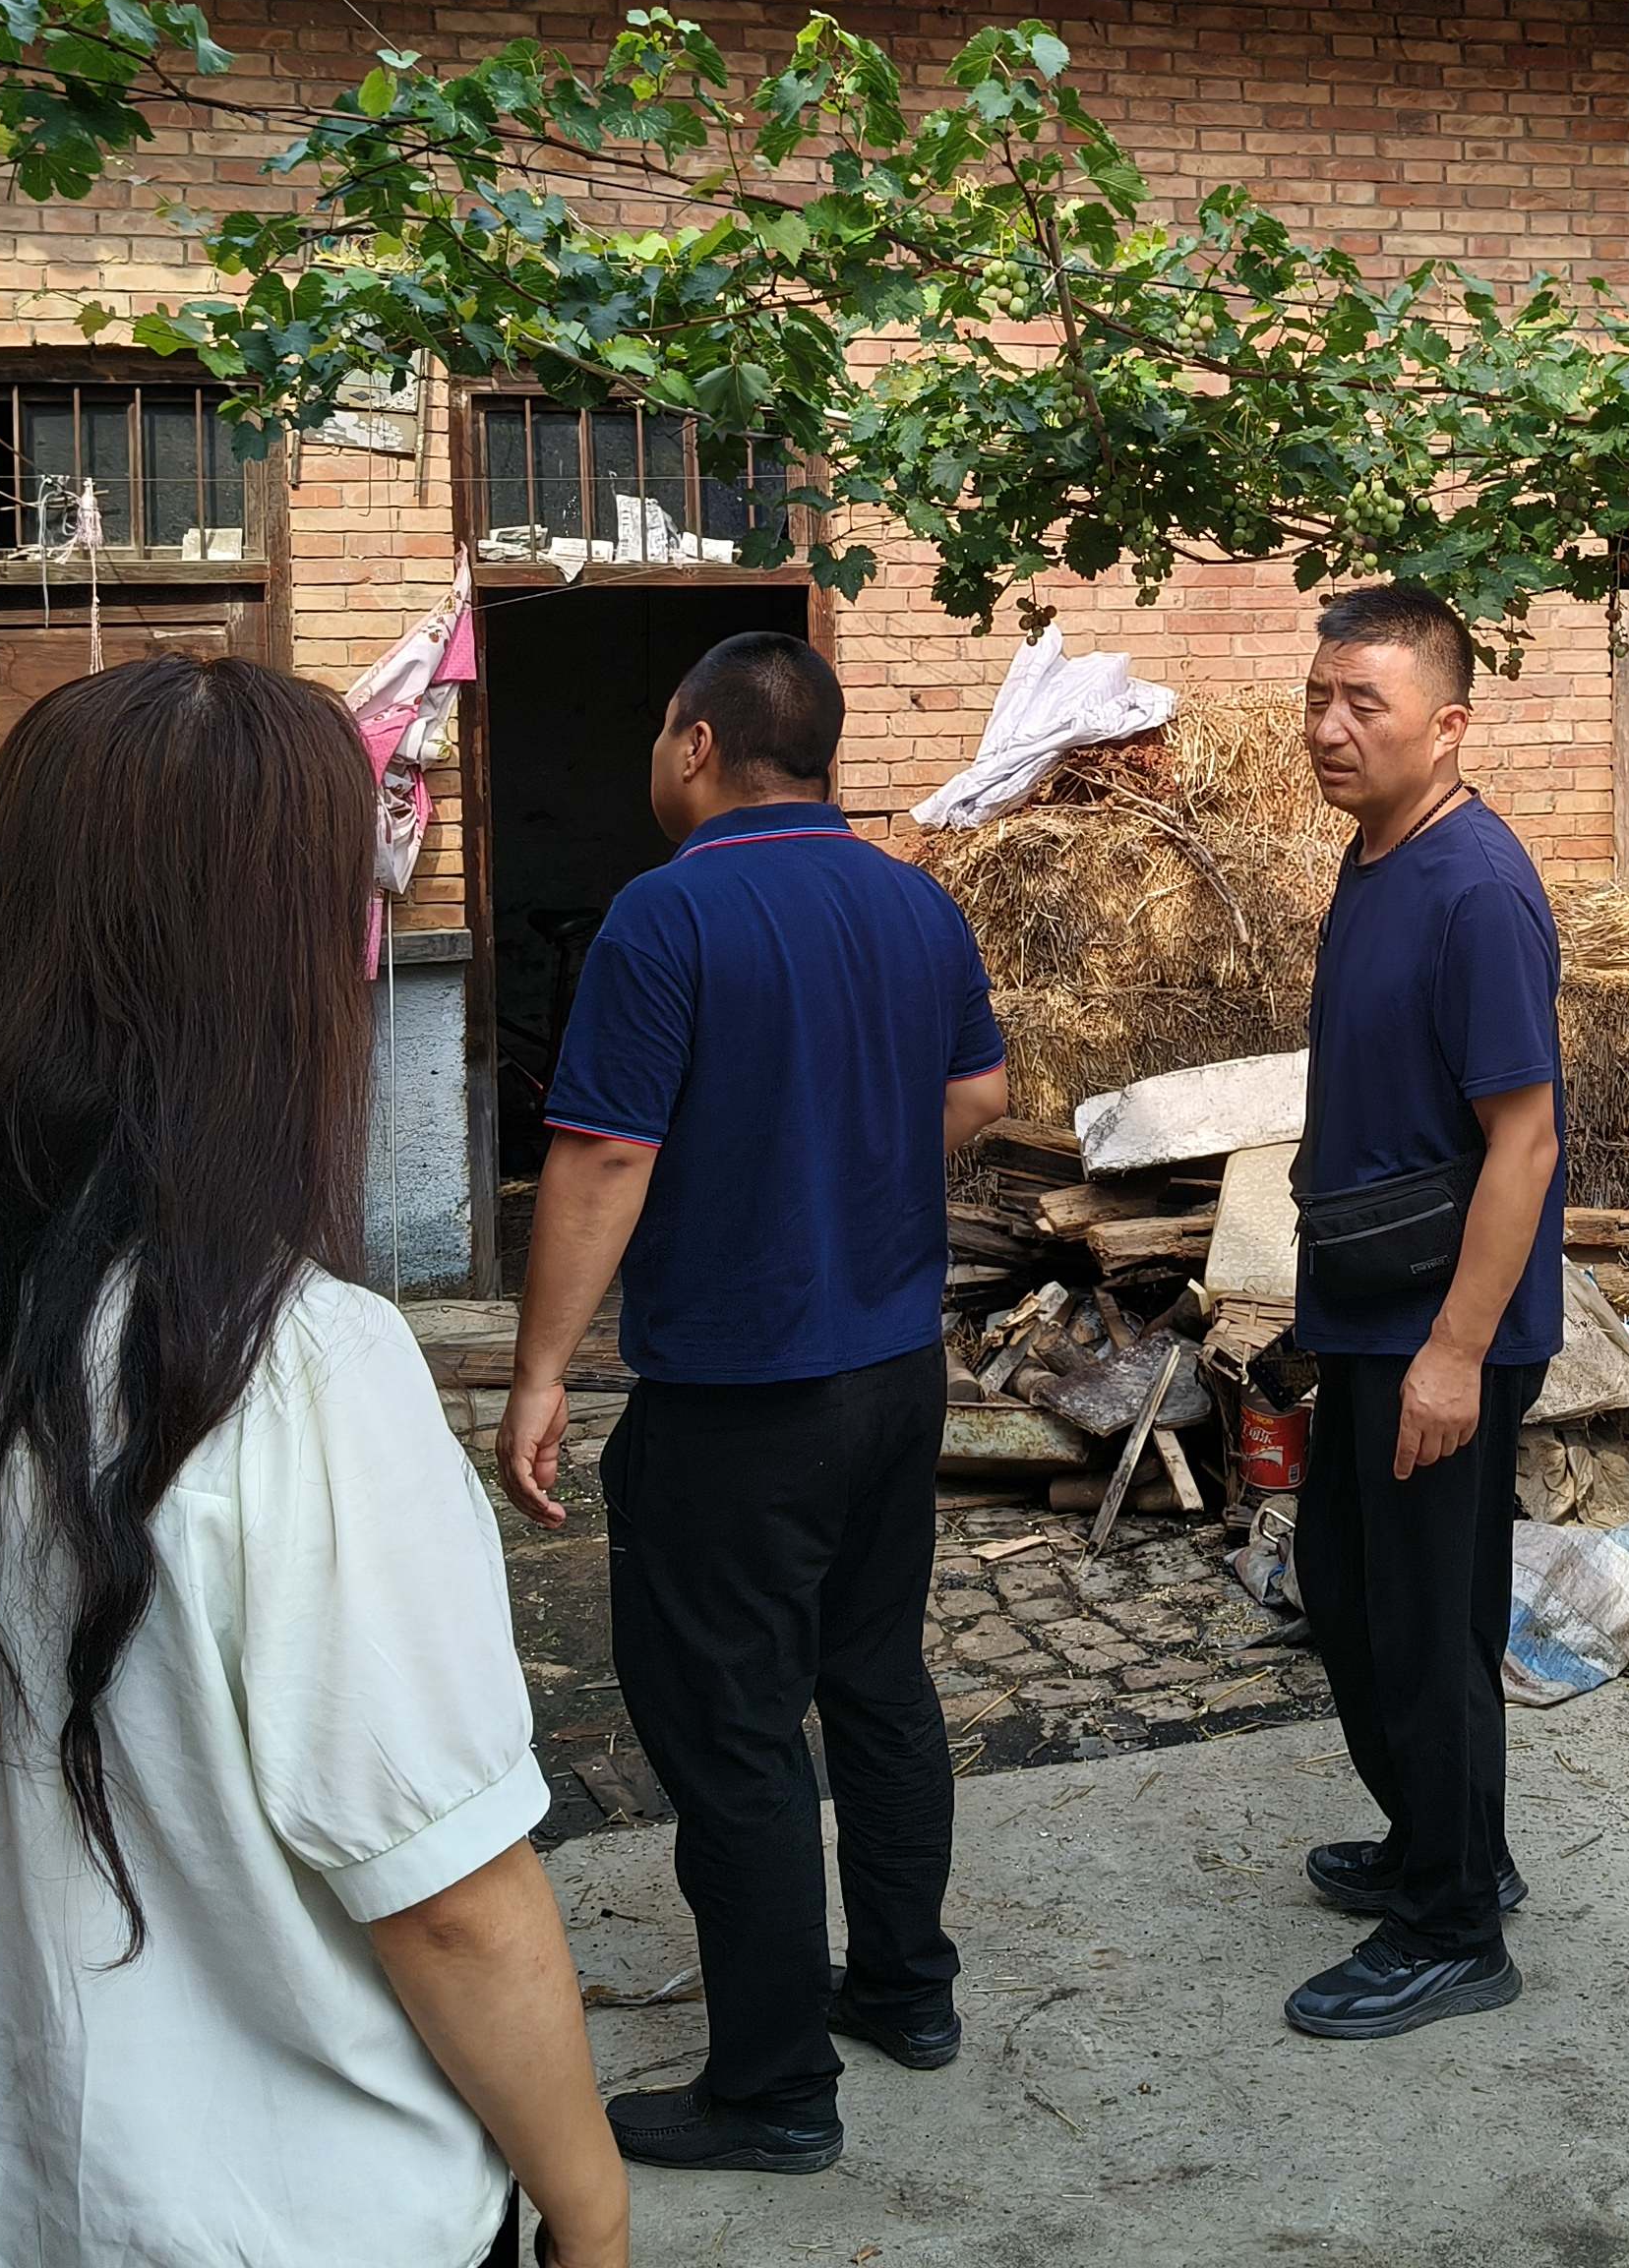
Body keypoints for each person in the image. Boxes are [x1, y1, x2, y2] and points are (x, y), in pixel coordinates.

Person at [0, 654, 625, 2268]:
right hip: (307, 2224)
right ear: (286, 965)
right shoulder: (303, 1367)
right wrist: (592, 2208)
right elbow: (452, 1903)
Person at [499, 629, 1008, 2175]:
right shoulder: (916, 903)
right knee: (877, 1678)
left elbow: (605, 1154)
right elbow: (980, 1094)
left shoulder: (667, 915)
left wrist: (539, 1373)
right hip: (893, 1376)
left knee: (732, 1731)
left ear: (699, 744)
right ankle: (907, 1992)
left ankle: (776, 2089)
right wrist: (853, 1165)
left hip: (738, 1396)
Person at [1279, 581, 1567, 2040]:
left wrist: (1456, 1355)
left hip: (1442, 1332)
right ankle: (1445, 1846)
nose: (1330, 728)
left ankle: (1456, 1929)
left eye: (1364, 704)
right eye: (1318, 699)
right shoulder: (1378, 856)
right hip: (1370, 1308)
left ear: (1447, 725)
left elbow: (1526, 1141)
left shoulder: (1476, 890)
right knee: (1349, 1594)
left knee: (1425, 1627)